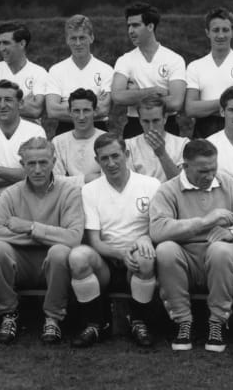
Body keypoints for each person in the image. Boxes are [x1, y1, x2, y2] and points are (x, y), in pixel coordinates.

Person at [150, 139, 233, 353]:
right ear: (185, 166)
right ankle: (183, 322)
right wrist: (205, 222)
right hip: (186, 260)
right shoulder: (168, 190)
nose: (209, 176)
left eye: (213, 169)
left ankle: (217, 322)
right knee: (165, 250)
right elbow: (158, 231)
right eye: (202, 171)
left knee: (219, 249)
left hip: (221, 258)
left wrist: (232, 232)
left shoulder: (227, 183)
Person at [0, 137, 84, 345]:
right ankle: (9, 313)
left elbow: (73, 237)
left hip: (54, 264)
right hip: (20, 263)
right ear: (23, 165)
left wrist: (31, 227)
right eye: (31, 163)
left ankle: (53, 317)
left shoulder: (69, 192)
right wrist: (41, 237)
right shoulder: (11, 193)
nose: (37, 169)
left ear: (53, 162)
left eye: (43, 163)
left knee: (60, 252)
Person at [68, 133, 161, 348]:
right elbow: (94, 241)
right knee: (78, 256)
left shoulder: (150, 184)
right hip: (106, 260)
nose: (111, 163)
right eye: (104, 159)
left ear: (126, 154)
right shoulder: (89, 190)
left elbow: (157, 227)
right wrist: (121, 254)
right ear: (97, 161)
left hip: (137, 255)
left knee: (145, 258)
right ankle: (95, 323)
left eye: (115, 156)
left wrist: (145, 238)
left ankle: (139, 321)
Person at [111, 2, 186, 138]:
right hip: (134, 126)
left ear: (150, 26)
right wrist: (153, 91)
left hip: (167, 126)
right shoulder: (124, 60)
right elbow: (117, 96)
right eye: (129, 26)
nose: (130, 31)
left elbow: (175, 102)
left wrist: (135, 94)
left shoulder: (175, 59)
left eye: (136, 25)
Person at [0, 80, 46, 211]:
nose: (2, 105)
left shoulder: (35, 131)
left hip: (28, 200)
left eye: (8, 100)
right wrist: (22, 176)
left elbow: (39, 174)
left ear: (20, 103)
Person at [185, 7, 233, 138]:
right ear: (207, 32)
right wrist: (230, 103)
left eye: (225, 30)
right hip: (204, 131)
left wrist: (206, 107)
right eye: (215, 30)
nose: (221, 35)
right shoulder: (195, 66)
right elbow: (190, 108)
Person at [46, 15, 113, 136]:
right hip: (64, 130)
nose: (78, 43)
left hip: (98, 130)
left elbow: (103, 110)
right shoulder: (56, 70)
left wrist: (65, 104)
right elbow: (52, 111)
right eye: (73, 38)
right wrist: (93, 103)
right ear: (67, 40)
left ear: (91, 38)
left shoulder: (106, 70)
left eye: (82, 38)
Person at [0, 22, 48, 122]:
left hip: (30, 135)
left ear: (22, 44)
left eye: (6, 43)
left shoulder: (39, 72)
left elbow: (36, 110)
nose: (1, 48)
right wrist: (22, 103)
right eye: (0, 43)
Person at [125, 96, 189, 182]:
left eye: (156, 121)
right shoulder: (129, 145)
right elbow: (129, 183)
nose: (151, 127)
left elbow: (182, 183)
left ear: (165, 119)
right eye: (146, 121)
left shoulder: (182, 144)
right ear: (140, 121)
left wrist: (162, 154)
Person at [51, 88, 105, 186]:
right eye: (76, 111)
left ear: (95, 111)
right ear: (69, 112)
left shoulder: (106, 140)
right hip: (68, 196)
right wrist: (85, 179)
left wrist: (70, 180)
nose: (81, 116)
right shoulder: (58, 141)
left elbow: (109, 178)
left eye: (86, 110)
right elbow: (55, 180)